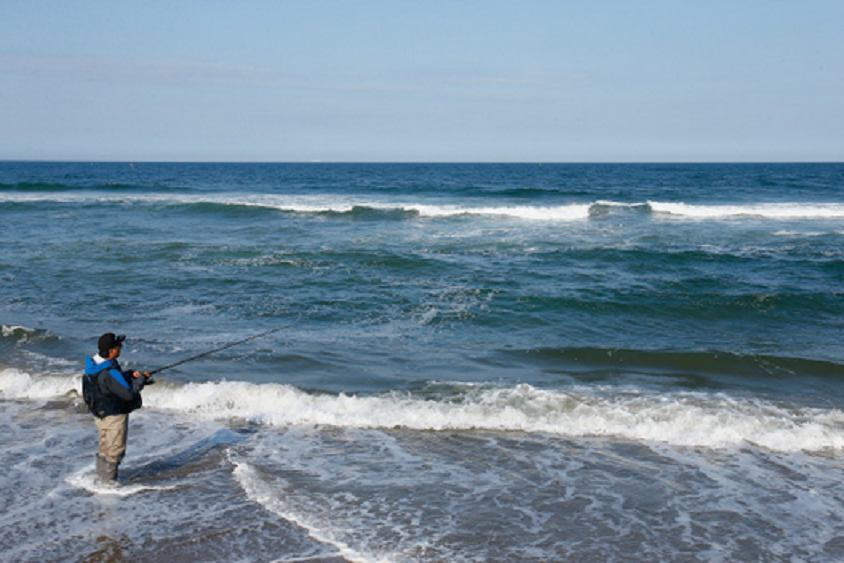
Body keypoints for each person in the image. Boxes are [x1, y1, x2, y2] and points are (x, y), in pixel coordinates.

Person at [83, 333, 151, 483]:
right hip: (115, 416)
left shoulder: (93, 366)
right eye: (118, 346)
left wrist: (128, 374)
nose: (120, 349)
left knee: (104, 448)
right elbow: (128, 394)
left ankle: (100, 479)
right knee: (115, 451)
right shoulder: (110, 371)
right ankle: (108, 485)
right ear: (111, 351)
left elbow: (108, 384)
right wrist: (141, 380)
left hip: (100, 415)